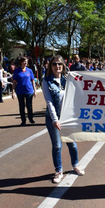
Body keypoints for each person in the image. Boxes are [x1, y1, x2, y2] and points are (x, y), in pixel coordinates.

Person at [42, 55, 85, 184]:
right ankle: (58, 170)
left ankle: (75, 165)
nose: (57, 66)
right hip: (53, 118)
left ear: (63, 66)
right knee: (57, 146)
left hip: (67, 117)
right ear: (51, 66)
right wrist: (55, 120)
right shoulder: (47, 81)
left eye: (59, 64)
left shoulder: (68, 80)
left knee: (72, 143)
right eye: (54, 64)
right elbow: (49, 102)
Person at [12, 57, 37, 126]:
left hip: (29, 90)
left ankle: (31, 118)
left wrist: (35, 90)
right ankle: (23, 120)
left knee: (29, 106)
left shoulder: (29, 70)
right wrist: (13, 92)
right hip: (20, 91)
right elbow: (14, 82)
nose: (26, 63)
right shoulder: (17, 71)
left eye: (26, 61)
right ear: (21, 62)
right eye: (24, 61)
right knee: (21, 106)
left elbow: (32, 81)